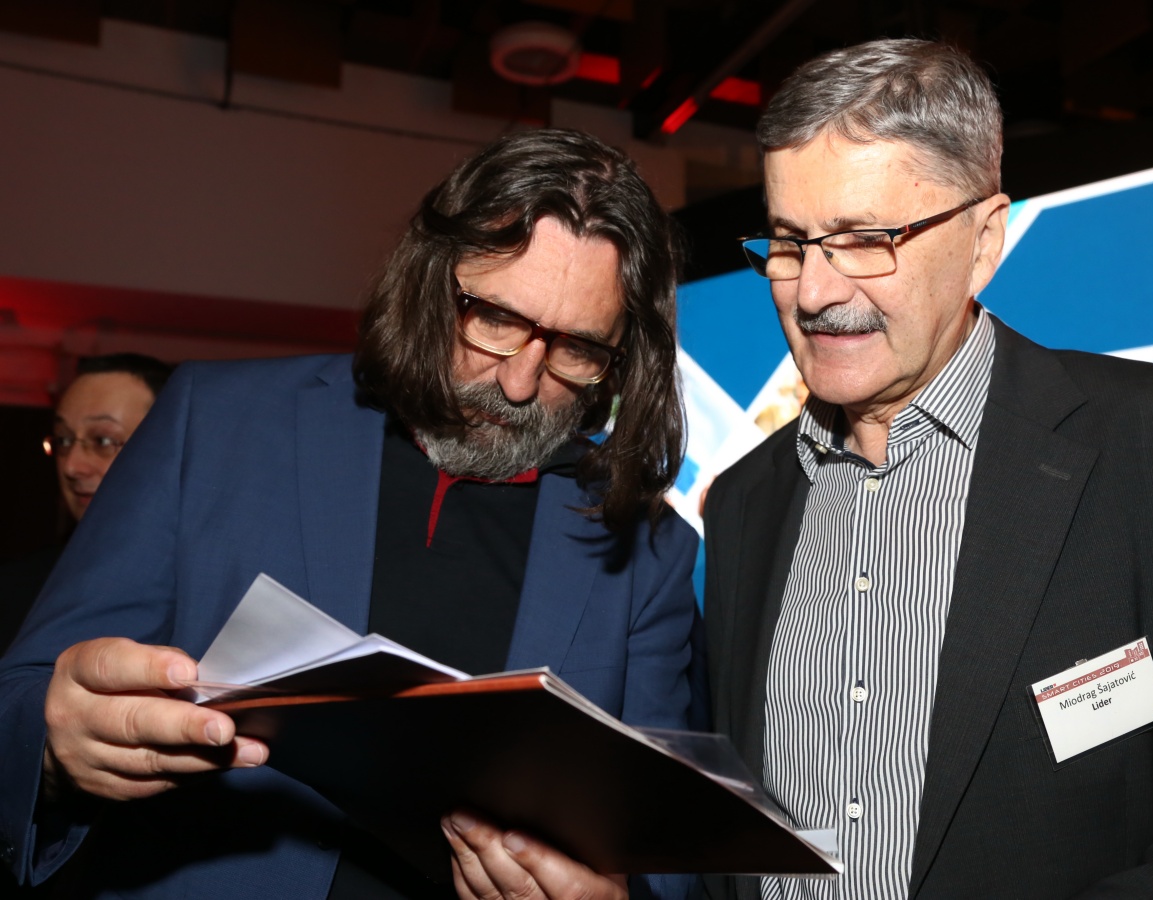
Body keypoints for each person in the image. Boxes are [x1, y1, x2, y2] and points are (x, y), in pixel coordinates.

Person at [701, 39, 1153, 898]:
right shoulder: (743, 502)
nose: (813, 291)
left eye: (863, 240)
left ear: (984, 241)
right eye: (790, 242)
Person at [0, 129, 697, 900]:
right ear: (429, 278)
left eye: (577, 350)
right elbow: (23, 696)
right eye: (495, 318)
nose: (521, 383)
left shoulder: (650, 551)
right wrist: (53, 748)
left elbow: (664, 847)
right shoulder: (214, 424)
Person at [0, 353, 173, 653]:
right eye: (64, 440)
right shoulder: (14, 590)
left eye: (103, 441)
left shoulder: (208, 590)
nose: (72, 466)